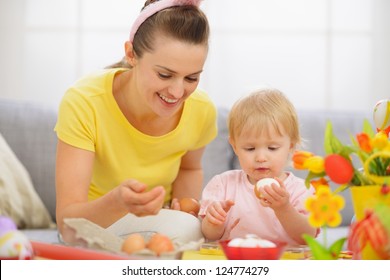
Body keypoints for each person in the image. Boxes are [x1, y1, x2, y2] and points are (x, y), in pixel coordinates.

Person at [55, 0, 216, 244]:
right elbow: (67, 226)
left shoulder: (201, 110)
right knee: (187, 231)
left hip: (162, 222)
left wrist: (186, 207)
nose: (177, 92)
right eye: (164, 74)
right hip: (93, 224)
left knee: (193, 228)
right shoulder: (84, 101)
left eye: (192, 78)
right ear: (131, 54)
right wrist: (117, 203)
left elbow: (189, 167)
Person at [200, 88, 318, 245]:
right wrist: (214, 222)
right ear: (235, 147)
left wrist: (284, 209)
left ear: (290, 146)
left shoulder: (301, 190)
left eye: (272, 148)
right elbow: (210, 235)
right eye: (250, 149)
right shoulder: (222, 184)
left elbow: (307, 236)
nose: (261, 158)